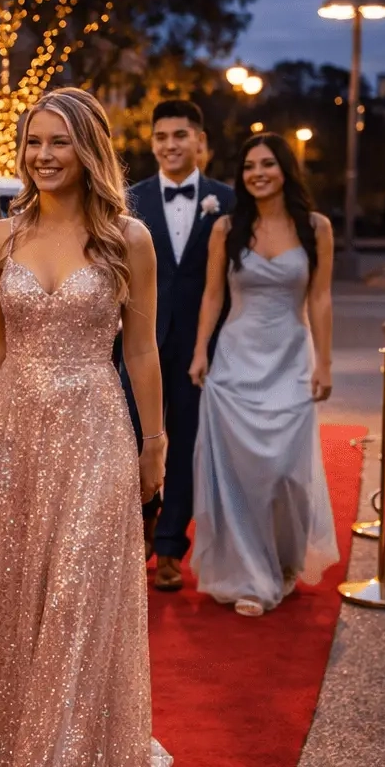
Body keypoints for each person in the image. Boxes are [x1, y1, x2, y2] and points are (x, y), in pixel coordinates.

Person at [0, 89, 172, 767]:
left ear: (89, 149)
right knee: (21, 604)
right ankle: (25, 761)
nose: (43, 155)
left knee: (76, 602)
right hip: (17, 440)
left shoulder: (126, 238)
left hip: (97, 431)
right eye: (33, 141)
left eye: (59, 142)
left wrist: (155, 444)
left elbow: (141, 350)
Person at [188, 134, 339, 616]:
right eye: (250, 165)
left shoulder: (316, 228)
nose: (258, 173)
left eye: (268, 164)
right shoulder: (226, 229)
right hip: (236, 359)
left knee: (286, 475)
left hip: (290, 358)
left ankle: (287, 559)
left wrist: (325, 361)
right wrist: (199, 352)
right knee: (243, 476)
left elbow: (319, 297)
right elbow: (213, 295)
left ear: (285, 169)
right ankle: (251, 577)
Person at [126, 100, 236, 591]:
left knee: (187, 444)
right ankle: (141, 529)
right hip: (137, 341)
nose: (170, 145)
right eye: (162, 137)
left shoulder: (227, 201)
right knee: (135, 441)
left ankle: (171, 547)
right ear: (152, 144)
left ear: (200, 142)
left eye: (180, 136)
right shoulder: (128, 199)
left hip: (198, 346)